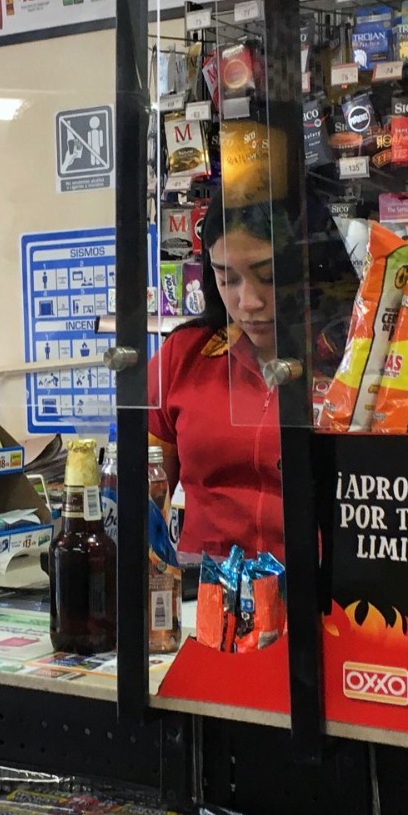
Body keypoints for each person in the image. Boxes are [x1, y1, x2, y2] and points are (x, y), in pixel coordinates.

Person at [150, 203, 285, 563]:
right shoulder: (183, 354)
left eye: (270, 276)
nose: (249, 302)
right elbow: (139, 498)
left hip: (320, 599)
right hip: (204, 595)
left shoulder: (352, 360)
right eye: (227, 279)